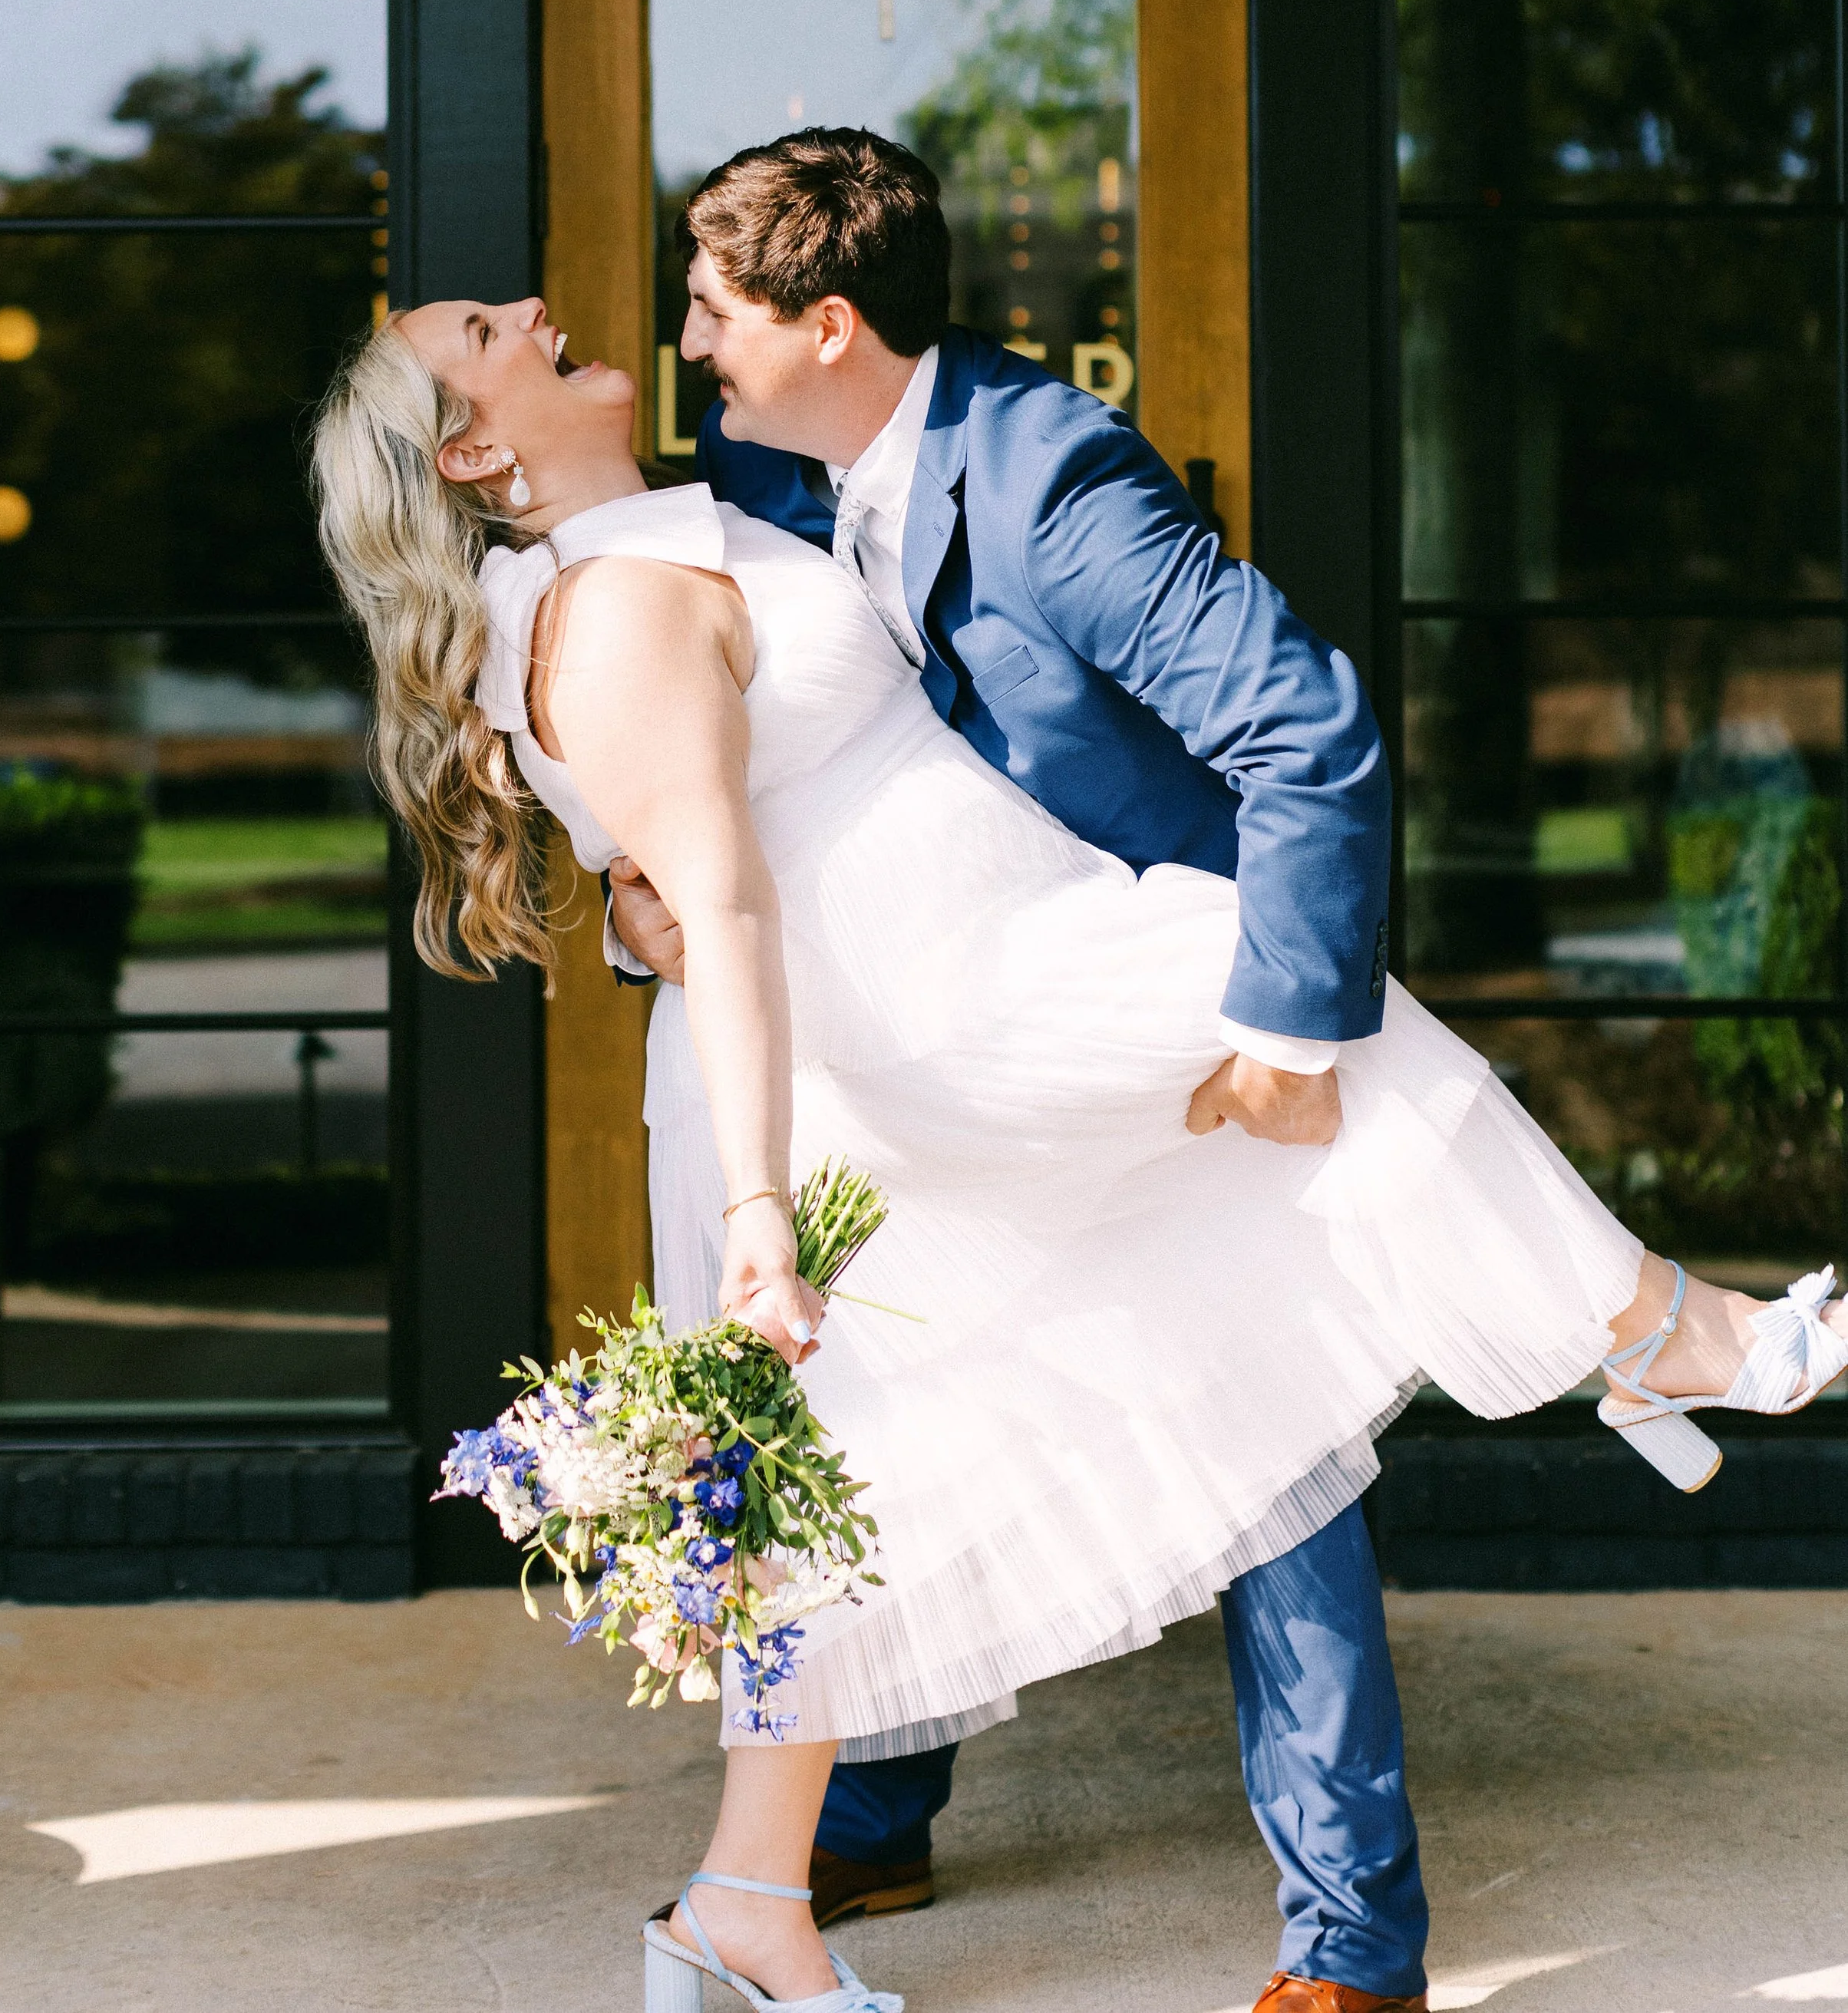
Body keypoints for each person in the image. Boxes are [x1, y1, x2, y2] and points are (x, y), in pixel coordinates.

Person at [310, 148, 1848, 2013]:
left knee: (1012, 1395)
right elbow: (702, 858)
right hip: (937, 1005)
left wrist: (1270, 1038)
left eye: (710, 306)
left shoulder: (899, 482)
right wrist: (715, 1081)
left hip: (967, 963)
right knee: (1292, 1091)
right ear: (475, 448)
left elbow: (1280, 732)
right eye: (491, 331)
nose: (589, 316)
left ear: (826, 329)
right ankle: (1664, 1332)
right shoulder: (661, 540)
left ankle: (804, 1898)